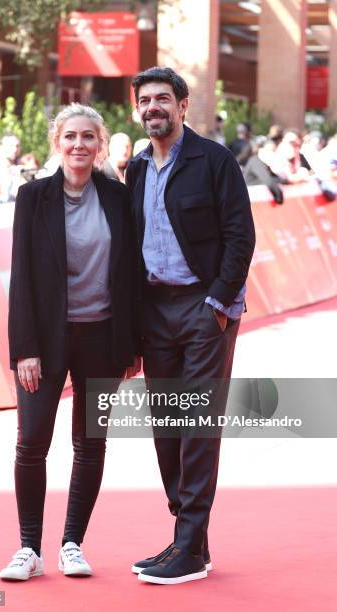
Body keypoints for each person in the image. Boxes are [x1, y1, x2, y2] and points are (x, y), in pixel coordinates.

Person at [0, 103, 140, 581]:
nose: (79, 144)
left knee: (91, 443)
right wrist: (24, 348)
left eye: (88, 137)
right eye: (70, 136)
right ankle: (29, 549)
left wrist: (130, 345)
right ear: (57, 143)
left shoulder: (119, 199)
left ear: (101, 145)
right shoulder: (32, 196)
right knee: (31, 442)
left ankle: (72, 544)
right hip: (44, 340)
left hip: (102, 337)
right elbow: (22, 279)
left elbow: (129, 277)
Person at [126, 67, 255, 585]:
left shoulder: (215, 161)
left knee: (197, 428)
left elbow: (240, 237)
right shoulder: (136, 168)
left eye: (163, 98)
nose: (153, 107)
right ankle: (189, 542)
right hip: (155, 312)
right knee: (167, 427)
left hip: (205, 310)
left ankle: (187, 546)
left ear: (183, 105)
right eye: (145, 100)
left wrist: (219, 303)